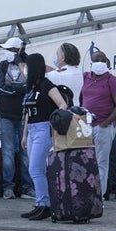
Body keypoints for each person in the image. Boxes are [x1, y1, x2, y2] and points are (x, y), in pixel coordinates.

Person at [20, 53, 73, 221]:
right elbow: (28, 112)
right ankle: (41, 203)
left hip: (44, 128)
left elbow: (62, 104)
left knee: (35, 169)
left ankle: (45, 204)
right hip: (32, 130)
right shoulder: (31, 88)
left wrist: (55, 123)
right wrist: (24, 133)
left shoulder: (46, 84)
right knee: (36, 169)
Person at [80, 47, 116, 199]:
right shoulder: (86, 78)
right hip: (86, 126)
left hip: (102, 127)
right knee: (86, 161)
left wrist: (106, 122)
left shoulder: (112, 81)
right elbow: (81, 99)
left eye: (102, 60)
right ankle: (87, 192)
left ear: (107, 63)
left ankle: (99, 196)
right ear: (91, 63)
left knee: (101, 163)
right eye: (96, 60)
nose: (99, 63)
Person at [0, 37, 29, 200]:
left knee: (26, 152)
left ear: (18, 51)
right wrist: (18, 89)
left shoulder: (27, 64)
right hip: (6, 113)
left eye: (10, 50)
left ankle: (28, 187)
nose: (6, 53)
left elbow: (30, 86)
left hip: (24, 115)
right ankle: (8, 187)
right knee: (7, 151)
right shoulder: (2, 65)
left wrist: (11, 86)